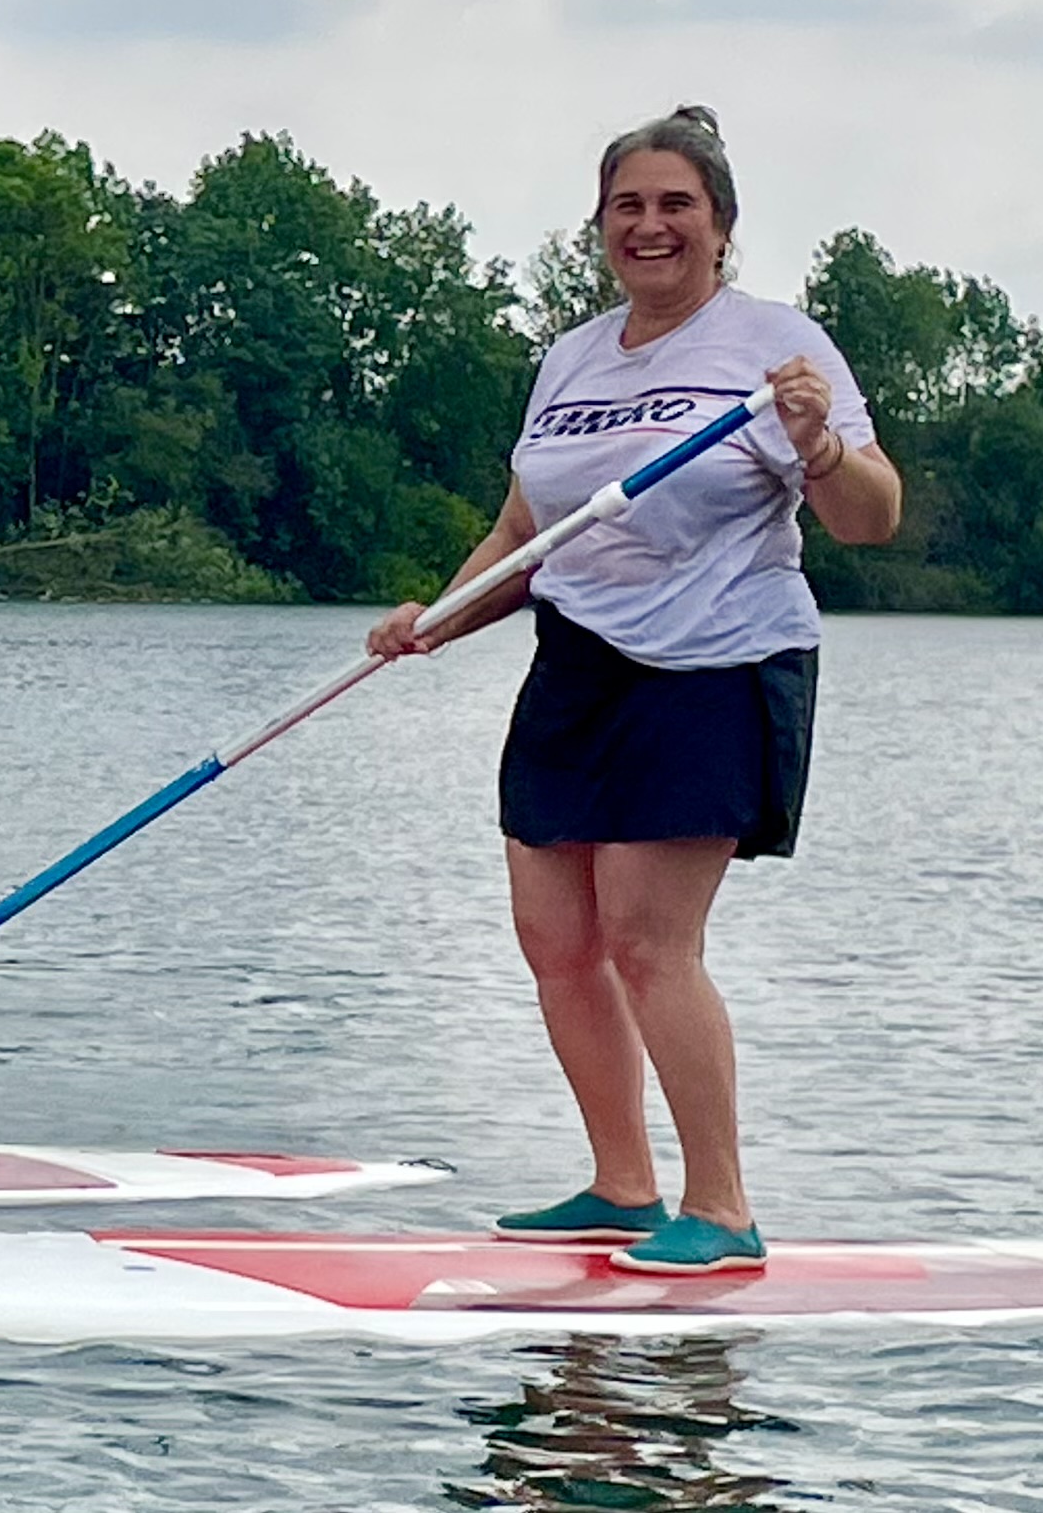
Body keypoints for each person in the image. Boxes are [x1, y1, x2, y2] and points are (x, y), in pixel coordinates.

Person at [367, 106, 902, 1274]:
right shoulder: (571, 357)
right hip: (580, 664)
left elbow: (871, 517)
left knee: (653, 942)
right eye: (629, 207)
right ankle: (622, 1186)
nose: (650, 226)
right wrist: (436, 621)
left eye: (677, 205)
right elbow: (526, 532)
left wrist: (817, 444)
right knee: (555, 937)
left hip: (716, 664)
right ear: (600, 226)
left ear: (720, 225)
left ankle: (721, 1209)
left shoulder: (772, 347)